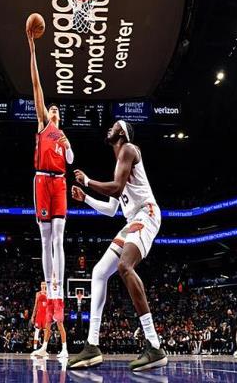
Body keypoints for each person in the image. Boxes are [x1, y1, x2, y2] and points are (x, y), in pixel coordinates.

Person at [67, 120, 167, 372]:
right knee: (99, 272)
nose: (108, 129)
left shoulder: (129, 149)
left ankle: (154, 346)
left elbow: (116, 188)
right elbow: (112, 209)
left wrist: (87, 182)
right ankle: (92, 345)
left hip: (146, 213)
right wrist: (86, 198)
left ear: (122, 132)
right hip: (132, 221)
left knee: (124, 266)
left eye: (113, 127)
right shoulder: (119, 163)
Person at [26, 26, 74, 338]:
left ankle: (58, 285)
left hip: (59, 183)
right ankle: (49, 280)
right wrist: (32, 48)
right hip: (42, 181)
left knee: (59, 238)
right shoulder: (44, 124)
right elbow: (36, 85)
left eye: (56, 109)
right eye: (51, 107)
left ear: (61, 116)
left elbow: (71, 160)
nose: (52, 109)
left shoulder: (62, 135)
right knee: (46, 239)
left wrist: (67, 145)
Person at [30, 282, 48, 352]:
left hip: (45, 315)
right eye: (42, 284)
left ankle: (44, 348)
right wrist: (33, 316)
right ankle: (34, 348)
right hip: (39, 314)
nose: (43, 285)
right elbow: (35, 305)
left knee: (45, 331)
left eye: (44, 284)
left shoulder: (48, 293)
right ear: (40, 285)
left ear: (46, 285)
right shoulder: (38, 293)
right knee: (37, 330)